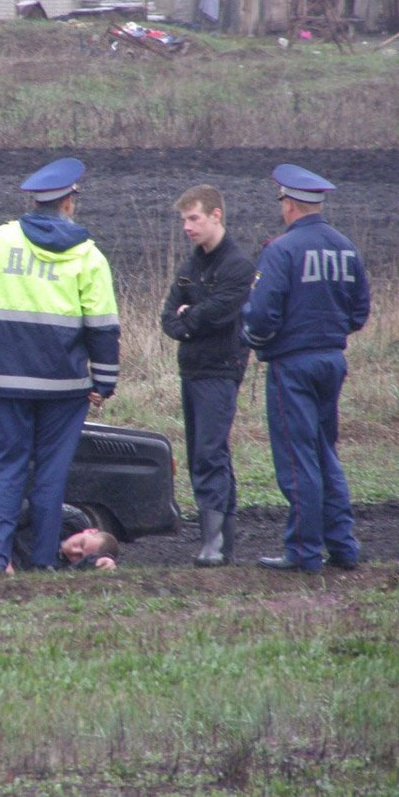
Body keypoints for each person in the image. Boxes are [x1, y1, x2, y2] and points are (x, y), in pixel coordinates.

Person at [0, 157, 121, 573]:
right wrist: (103, 382)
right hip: (64, 386)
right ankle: (43, 563)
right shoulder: (89, 256)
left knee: (3, 470)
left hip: (5, 379)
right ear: (69, 203)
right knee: (51, 474)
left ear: (35, 201)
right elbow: (103, 326)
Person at [242, 164, 371, 574]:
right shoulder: (346, 247)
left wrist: (255, 337)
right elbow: (359, 313)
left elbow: (261, 316)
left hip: (292, 366)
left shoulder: (281, 249)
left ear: (289, 204)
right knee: (324, 453)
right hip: (332, 361)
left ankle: (303, 551)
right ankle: (343, 546)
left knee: (298, 460)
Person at [160, 184, 254, 567]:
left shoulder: (238, 266)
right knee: (206, 451)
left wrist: (189, 316)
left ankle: (214, 544)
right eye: (184, 219)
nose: (187, 226)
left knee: (208, 453)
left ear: (216, 215)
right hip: (192, 370)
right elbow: (168, 318)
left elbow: (217, 313)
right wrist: (186, 319)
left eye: (194, 218)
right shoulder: (190, 266)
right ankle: (221, 543)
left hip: (220, 371)